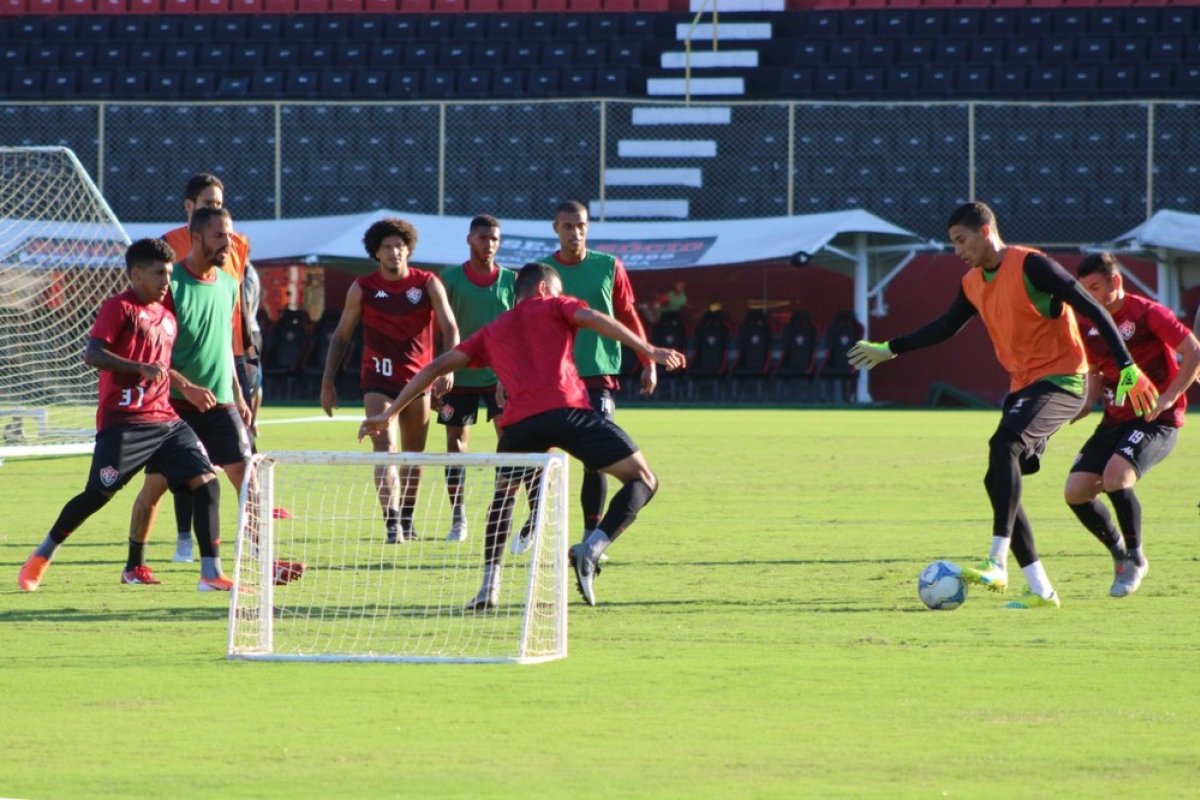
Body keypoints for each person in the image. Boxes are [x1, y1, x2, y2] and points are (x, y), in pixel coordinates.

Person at [848, 201, 1159, 609]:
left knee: (1004, 445)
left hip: (1064, 381)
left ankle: (996, 562)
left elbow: (1093, 308)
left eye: (961, 240)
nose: (957, 250)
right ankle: (1041, 589)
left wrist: (1127, 366)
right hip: (1024, 387)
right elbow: (945, 326)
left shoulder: (1032, 265)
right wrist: (891, 348)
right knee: (997, 478)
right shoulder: (972, 282)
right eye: (953, 243)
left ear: (985, 231)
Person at [359, 262, 686, 609]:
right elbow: (593, 318)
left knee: (503, 499)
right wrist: (648, 350)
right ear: (544, 288)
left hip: (519, 426)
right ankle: (591, 549)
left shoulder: (492, 329)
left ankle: (489, 588)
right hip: (568, 413)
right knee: (643, 479)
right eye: (558, 291)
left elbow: (436, 366)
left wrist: (389, 413)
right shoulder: (555, 305)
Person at [17, 239, 229, 592]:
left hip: (166, 421)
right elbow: (93, 354)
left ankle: (211, 574)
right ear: (135, 274)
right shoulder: (118, 307)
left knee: (206, 482)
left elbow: (160, 367)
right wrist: (138, 367)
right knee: (97, 495)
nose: (166, 281)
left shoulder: (167, 318)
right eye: (159, 274)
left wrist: (186, 385)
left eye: (169, 274)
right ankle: (42, 554)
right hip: (125, 422)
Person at [127, 209, 303, 587]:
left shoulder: (228, 282)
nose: (228, 243)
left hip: (221, 404)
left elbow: (224, 343)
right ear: (196, 237)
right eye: (220, 236)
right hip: (175, 405)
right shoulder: (171, 285)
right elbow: (150, 355)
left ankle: (265, 563)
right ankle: (134, 565)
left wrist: (237, 393)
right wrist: (187, 386)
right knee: (155, 487)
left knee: (249, 483)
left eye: (230, 235)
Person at [1064, 252, 1200, 597]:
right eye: (1084, 289)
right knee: (1076, 492)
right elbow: (1096, 370)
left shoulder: (1147, 313)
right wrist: (1086, 403)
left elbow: (1194, 351)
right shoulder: (1088, 323)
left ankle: (1136, 558)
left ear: (1116, 281)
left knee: (1116, 477)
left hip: (1156, 420)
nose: (1089, 296)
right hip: (1115, 420)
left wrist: (1169, 396)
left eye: (1096, 287)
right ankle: (1119, 554)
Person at [321, 217, 458, 543]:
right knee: (385, 449)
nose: (395, 252)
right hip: (378, 380)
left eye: (400, 246)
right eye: (387, 247)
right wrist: (328, 381)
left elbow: (450, 327)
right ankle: (392, 523)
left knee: (413, 454)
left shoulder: (427, 283)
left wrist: (448, 369)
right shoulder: (363, 288)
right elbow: (341, 335)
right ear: (376, 252)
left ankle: (407, 519)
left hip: (418, 383)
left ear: (408, 249)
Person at [540, 200, 657, 554]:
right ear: (555, 228)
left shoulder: (608, 266)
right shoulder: (542, 272)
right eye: (567, 226)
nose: (575, 233)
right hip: (552, 378)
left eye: (581, 226)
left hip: (597, 374)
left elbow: (627, 314)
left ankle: (591, 538)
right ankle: (534, 523)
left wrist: (648, 359)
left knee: (598, 460)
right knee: (539, 457)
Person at [162, 172, 255, 563]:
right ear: (191, 210)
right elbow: (156, 346)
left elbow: (229, 326)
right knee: (164, 482)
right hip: (176, 395)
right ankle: (154, 552)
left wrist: (239, 385)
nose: (227, 242)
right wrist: (181, 383)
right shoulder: (169, 258)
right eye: (208, 204)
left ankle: (258, 552)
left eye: (219, 203)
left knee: (246, 473)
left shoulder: (232, 268)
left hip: (223, 386)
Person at [435, 214, 519, 543]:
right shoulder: (450, 279)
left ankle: (500, 510)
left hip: (500, 377)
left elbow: (518, 330)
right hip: (458, 376)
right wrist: (441, 370)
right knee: (455, 445)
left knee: (509, 441)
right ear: (470, 239)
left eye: (494, 238)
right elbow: (439, 327)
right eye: (483, 237)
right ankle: (458, 518)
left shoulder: (511, 281)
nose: (489, 244)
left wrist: (510, 372)